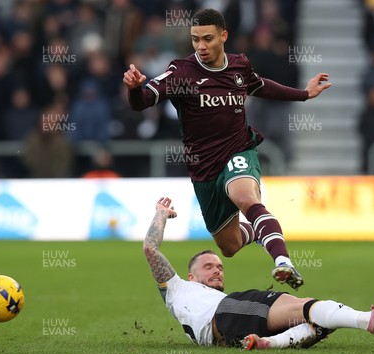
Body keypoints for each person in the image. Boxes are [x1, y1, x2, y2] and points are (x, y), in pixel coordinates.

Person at [125, 8, 332, 289]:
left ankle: (283, 261)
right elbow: (143, 101)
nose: (201, 46)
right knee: (230, 246)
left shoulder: (238, 66)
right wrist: (135, 88)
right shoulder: (181, 72)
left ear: (224, 36)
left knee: (246, 198)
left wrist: (304, 94)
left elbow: (260, 86)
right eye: (195, 39)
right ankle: (259, 229)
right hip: (204, 168)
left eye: (207, 38)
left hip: (239, 150)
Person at [144, 197, 374, 349]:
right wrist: (161, 215)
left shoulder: (214, 298)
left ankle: (268, 343)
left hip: (230, 323)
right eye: (208, 266)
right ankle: (368, 319)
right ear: (191, 277)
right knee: (303, 307)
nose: (217, 270)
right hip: (224, 314)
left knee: (314, 323)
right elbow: (150, 249)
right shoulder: (177, 289)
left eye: (220, 266)